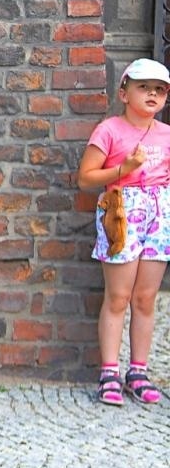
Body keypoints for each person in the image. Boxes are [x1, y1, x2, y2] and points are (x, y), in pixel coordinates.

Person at [77, 57, 170, 407]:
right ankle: (109, 373)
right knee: (118, 297)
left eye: (159, 89)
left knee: (146, 299)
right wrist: (124, 168)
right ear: (124, 92)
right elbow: (86, 178)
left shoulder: (166, 134)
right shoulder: (110, 130)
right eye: (144, 87)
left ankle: (139, 372)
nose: (152, 94)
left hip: (159, 217)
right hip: (122, 214)